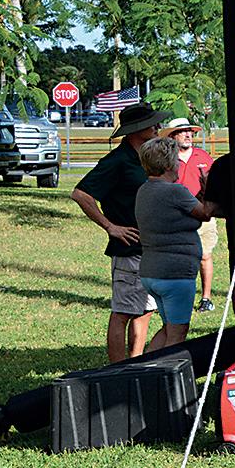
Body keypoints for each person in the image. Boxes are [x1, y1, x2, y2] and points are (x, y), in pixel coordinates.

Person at [71, 102, 169, 363]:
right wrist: (110, 227)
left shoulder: (146, 158)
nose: (157, 127)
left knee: (145, 309)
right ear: (136, 129)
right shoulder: (117, 161)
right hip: (129, 250)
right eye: (151, 123)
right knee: (123, 312)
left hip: (150, 248)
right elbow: (80, 194)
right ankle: (115, 369)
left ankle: (135, 362)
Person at [134, 136, 216, 353]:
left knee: (168, 328)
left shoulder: (144, 190)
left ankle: (145, 367)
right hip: (175, 275)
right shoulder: (175, 191)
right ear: (170, 164)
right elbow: (206, 213)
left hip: (151, 271)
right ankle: (165, 372)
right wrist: (209, 187)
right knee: (177, 334)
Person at [163, 118, 217, 313]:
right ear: (172, 136)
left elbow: (215, 184)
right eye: (182, 131)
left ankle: (206, 298)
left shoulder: (203, 156)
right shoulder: (166, 160)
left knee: (204, 255)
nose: (188, 135)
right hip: (176, 216)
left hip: (202, 214)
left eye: (190, 132)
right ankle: (174, 298)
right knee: (177, 257)